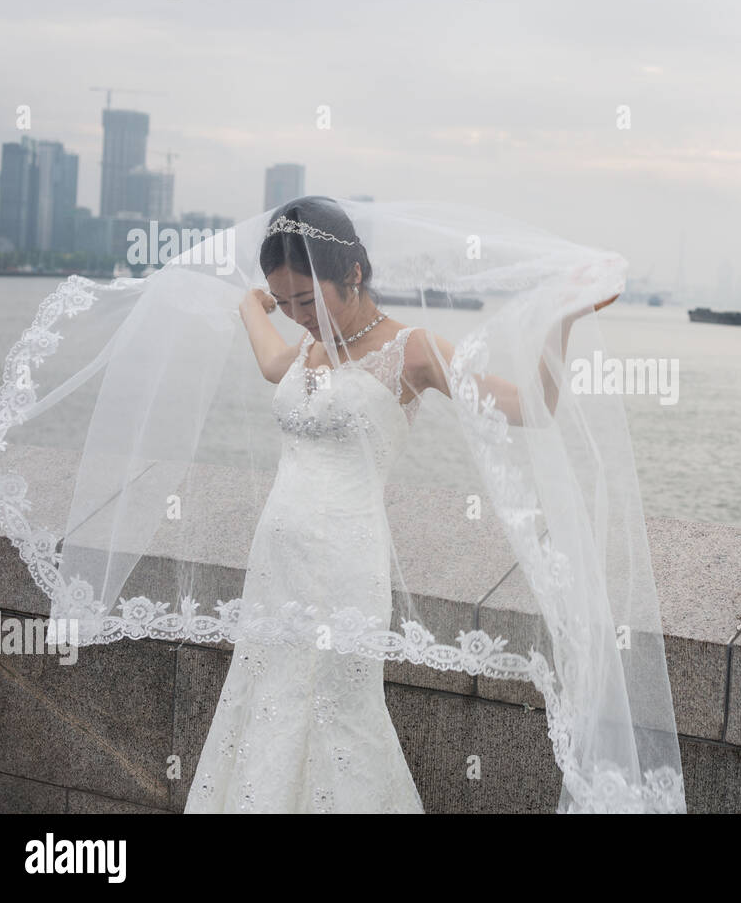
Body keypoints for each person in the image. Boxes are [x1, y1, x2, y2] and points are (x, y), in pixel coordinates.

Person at [185, 197, 615, 813]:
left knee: (342, 713)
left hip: (344, 565)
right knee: (268, 699)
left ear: (353, 275)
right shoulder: (305, 348)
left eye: (308, 301)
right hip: (275, 561)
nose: (299, 317)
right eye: (286, 304)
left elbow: (531, 409)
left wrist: (562, 318)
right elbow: (269, 361)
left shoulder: (411, 350)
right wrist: (253, 306)